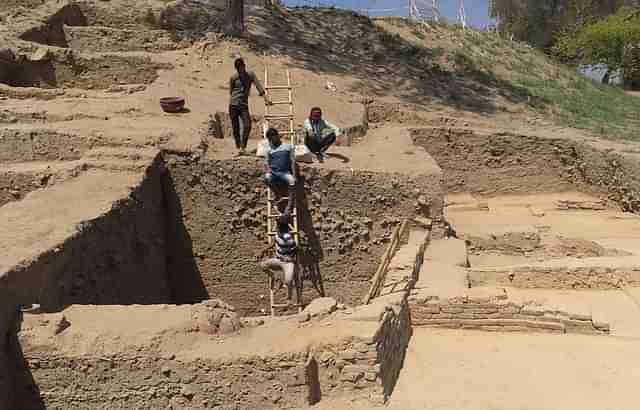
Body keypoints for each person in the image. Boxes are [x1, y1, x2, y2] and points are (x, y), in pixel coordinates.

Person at [229, 57, 271, 156]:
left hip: (244, 105)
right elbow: (231, 91)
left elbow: (258, 85)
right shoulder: (233, 77)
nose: (241, 70)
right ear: (237, 69)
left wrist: (265, 97)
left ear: (244, 66)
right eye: (239, 69)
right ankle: (238, 148)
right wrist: (235, 98)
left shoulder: (250, 75)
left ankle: (243, 147)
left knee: (247, 125)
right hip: (233, 105)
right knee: (235, 128)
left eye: (242, 68)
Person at [260, 215, 298, 304]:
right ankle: (275, 277)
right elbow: (272, 244)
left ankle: (289, 298)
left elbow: (296, 249)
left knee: (288, 281)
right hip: (278, 260)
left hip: (288, 262)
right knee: (263, 265)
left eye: (278, 226)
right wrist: (262, 250)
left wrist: (291, 257)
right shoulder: (277, 235)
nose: (276, 228)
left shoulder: (288, 238)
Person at [263, 127, 295, 215]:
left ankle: (288, 209)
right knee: (266, 178)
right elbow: (266, 162)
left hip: (284, 172)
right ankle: (278, 194)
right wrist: (268, 170)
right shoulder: (269, 149)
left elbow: (292, 161)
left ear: (277, 136)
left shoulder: (288, 147)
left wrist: (294, 174)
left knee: (292, 181)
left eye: (273, 137)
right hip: (274, 173)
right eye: (270, 139)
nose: (272, 140)